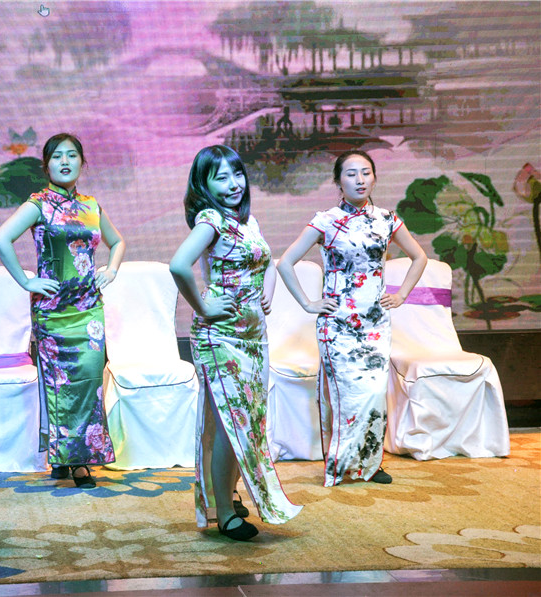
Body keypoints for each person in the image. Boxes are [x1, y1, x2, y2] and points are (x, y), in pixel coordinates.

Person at [170, 145, 302, 541]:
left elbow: (269, 264)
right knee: (232, 425)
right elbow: (178, 265)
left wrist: (267, 292)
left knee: (246, 422)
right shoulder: (211, 219)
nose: (233, 184)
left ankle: (225, 496)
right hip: (221, 337)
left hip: (254, 337)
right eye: (221, 177)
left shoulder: (247, 222)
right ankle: (225, 513)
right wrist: (203, 306)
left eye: (237, 174)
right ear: (204, 184)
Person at [277, 149, 427, 487]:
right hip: (338, 324)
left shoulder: (387, 219)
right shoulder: (326, 220)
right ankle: (341, 465)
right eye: (351, 173)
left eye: (366, 172)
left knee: (374, 394)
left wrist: (401, 294)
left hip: (375, 322)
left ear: (374, 177)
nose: (360, 180)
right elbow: (285, 263)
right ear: (338, 181)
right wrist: (308, 303)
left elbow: (419, 257)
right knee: (347, 397)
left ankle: (369, 464)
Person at [0, 133, 125, 488]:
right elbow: (0, 239)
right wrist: (26, 280)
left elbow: (117, 241)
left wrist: (111, 268)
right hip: (53, 312)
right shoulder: (38, 204)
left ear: (82, 162)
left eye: (72, 155)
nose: (65, 162)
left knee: (88, 383)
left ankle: (78, 459)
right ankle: (66, 457)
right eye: (57, 156)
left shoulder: (92, 206)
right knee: (59, 385)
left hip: (89, 310)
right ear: (46, 165)